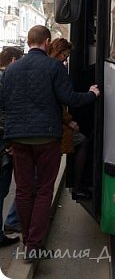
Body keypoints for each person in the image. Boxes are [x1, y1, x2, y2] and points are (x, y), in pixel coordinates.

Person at [0, 26, 100, 261]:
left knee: (24, 191)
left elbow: (4, 106)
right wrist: (92, 94)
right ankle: (34, 246)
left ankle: (26, 240)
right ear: (46, 42)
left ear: (27, 41)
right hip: (46, 138)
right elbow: (69, 99)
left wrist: (8, 138)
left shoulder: (12, 70)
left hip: (19, 139)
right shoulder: (54, 67)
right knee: (44, 191)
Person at [48, 38, 91, 200]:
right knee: (82, 142)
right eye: (65, 56)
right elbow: (65, 99)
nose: (65, 60)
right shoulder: (57, 68)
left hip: (44, 124)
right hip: (55, 124)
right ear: (58, 52)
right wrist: (91, 94)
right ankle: (77, 185)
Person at [0, 47, 23, 247]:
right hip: (2, 146)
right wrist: (9, 142)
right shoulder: (4, 80)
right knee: (1, 190)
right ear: (14, 60)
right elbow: (4, 115)